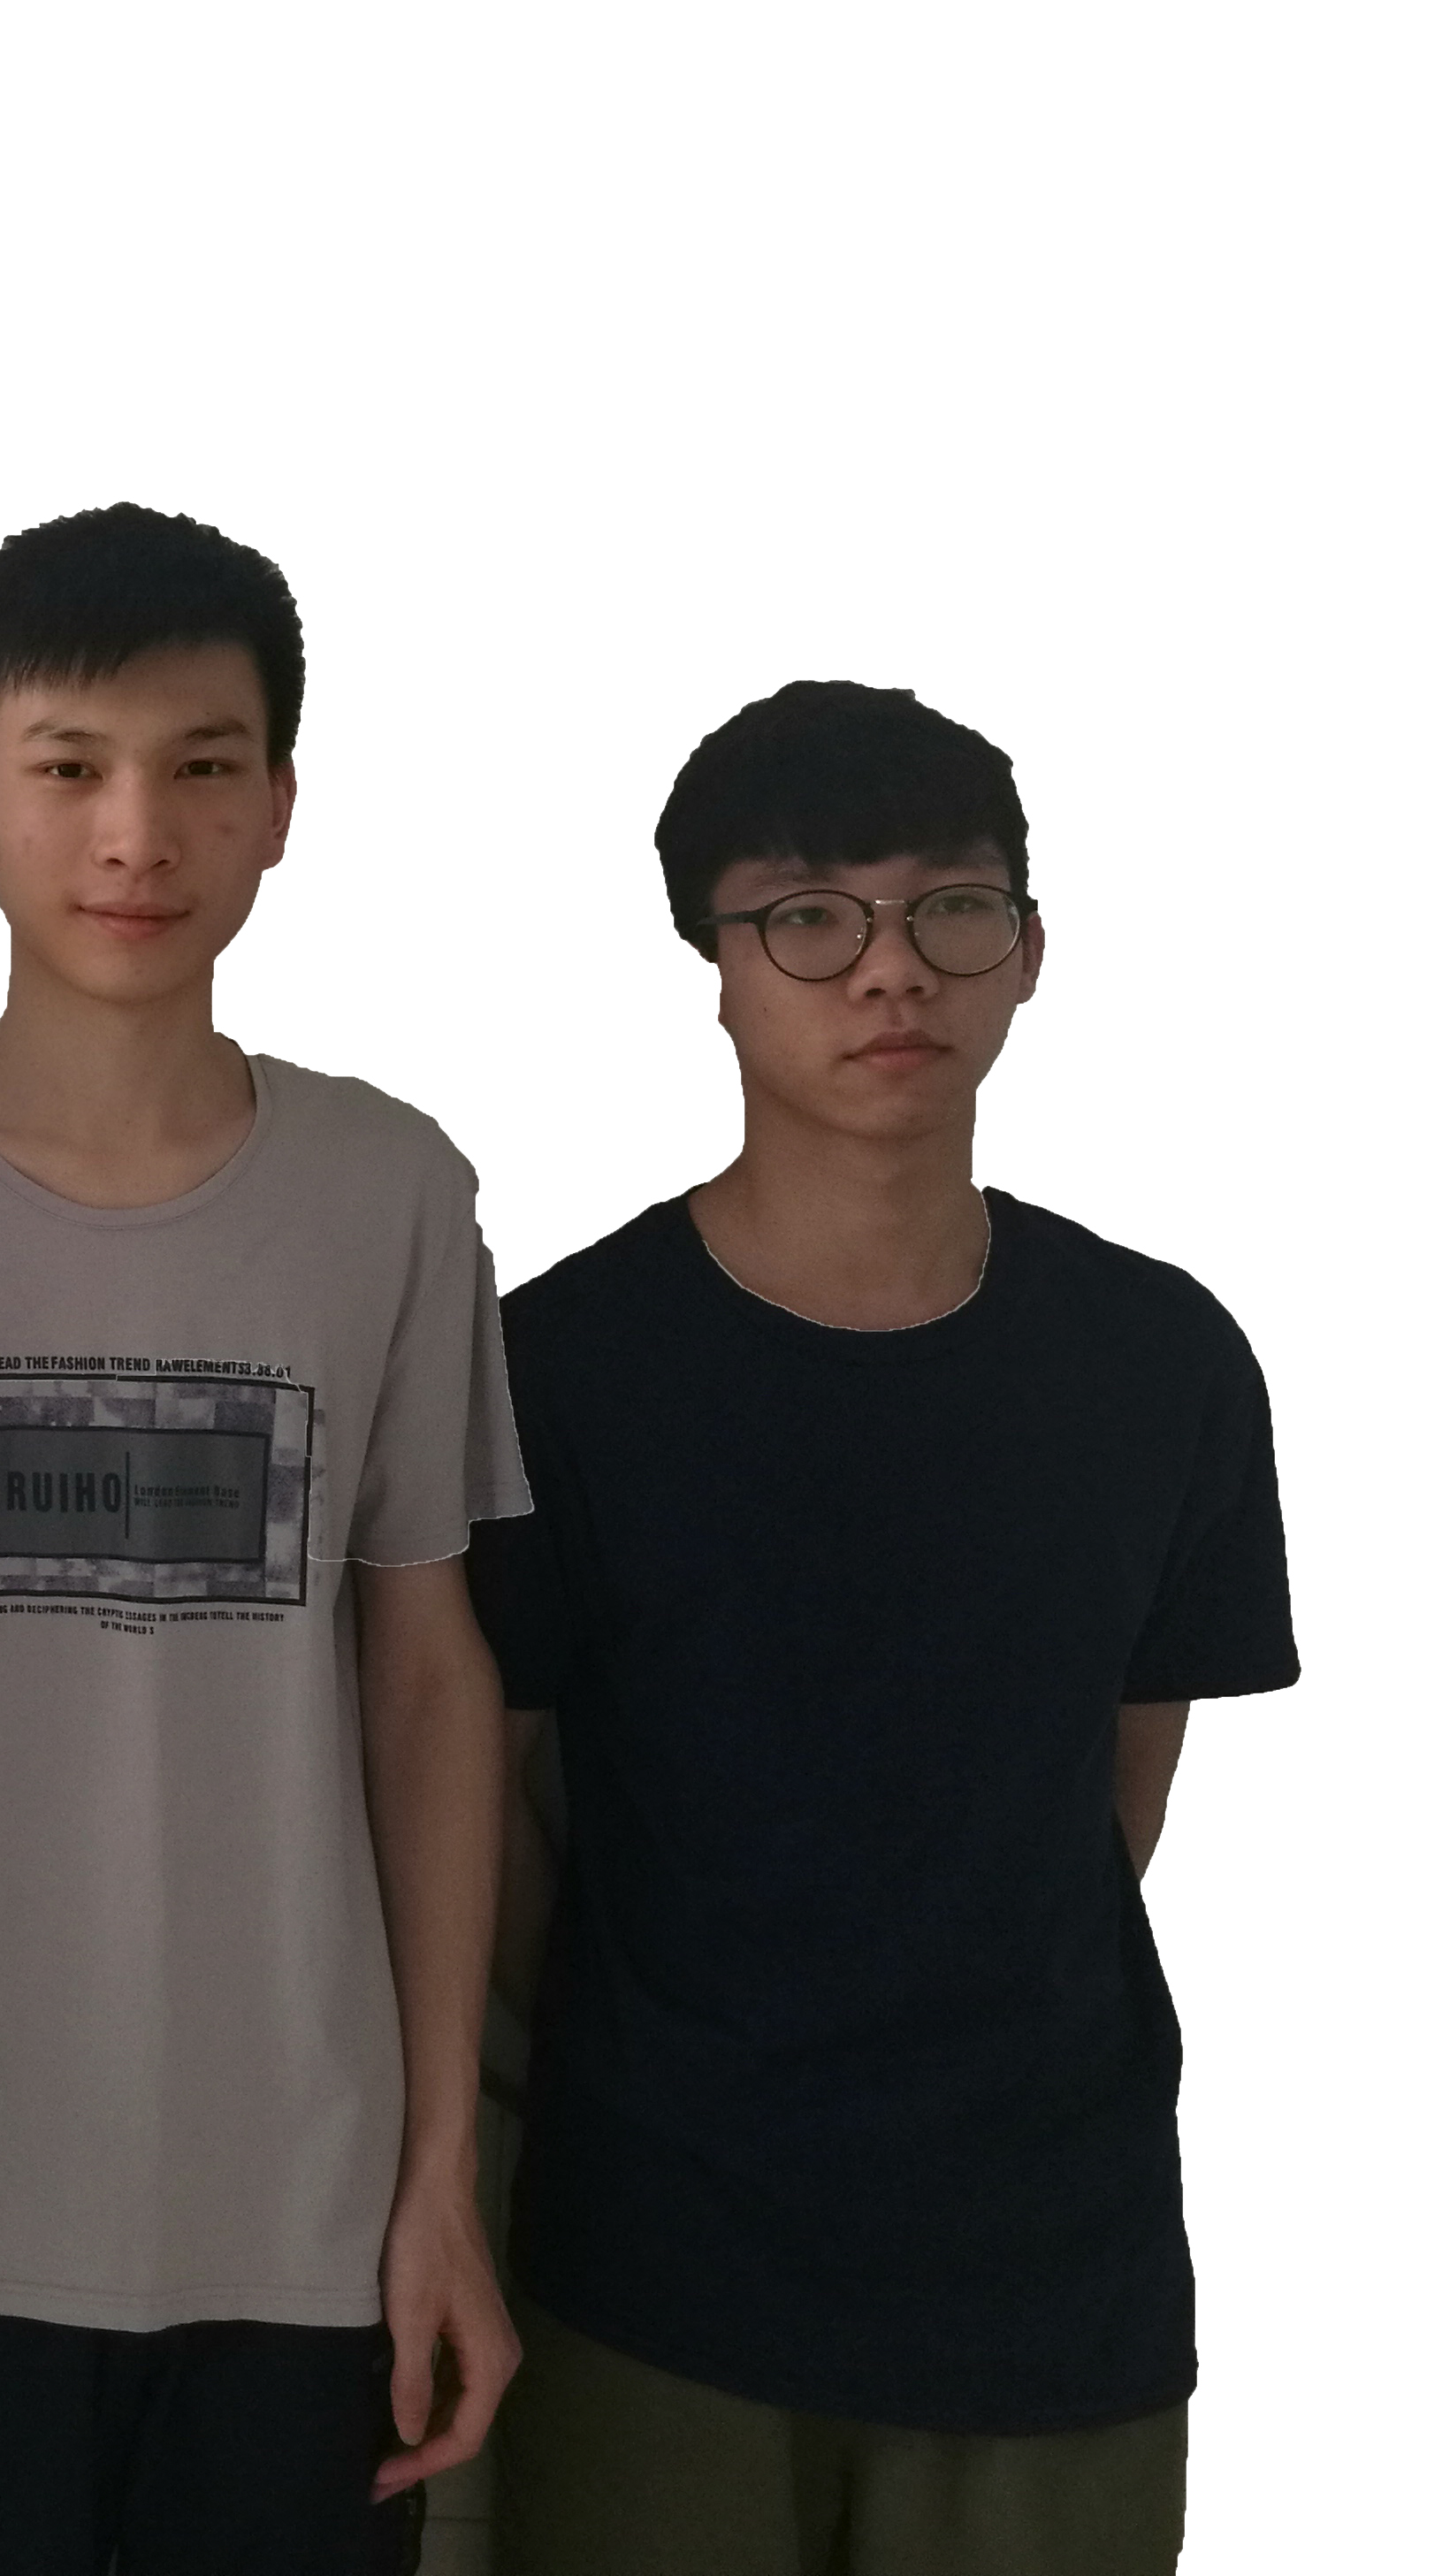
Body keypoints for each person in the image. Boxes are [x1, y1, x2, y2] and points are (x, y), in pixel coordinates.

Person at [0, 508, 528, 2574]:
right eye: (70, 766)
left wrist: (439, 2175)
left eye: (201, 766)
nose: (135, 834)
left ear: (280, 807)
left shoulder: (390, 1191)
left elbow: (428, 1681)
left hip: (307, 2224)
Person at [471, 680, 1296, 2576]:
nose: (891, 970)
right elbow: (485, 1803)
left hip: (1051, 2276)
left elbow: (1113, 1791)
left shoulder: (1159, 1359)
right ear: (715, 963)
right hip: (659, 2266)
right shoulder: (558, 1365)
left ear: (1030, 949)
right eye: (811, 917)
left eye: (951, 908)